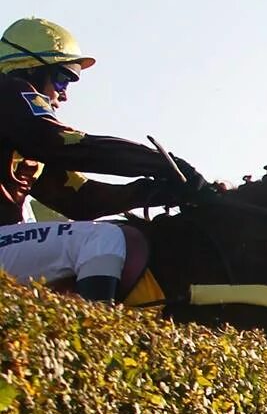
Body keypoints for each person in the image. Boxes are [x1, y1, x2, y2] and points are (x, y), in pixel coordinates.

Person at [0, 17, 192, 300]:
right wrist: (160, 162)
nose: (63, 95)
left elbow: (80, 199)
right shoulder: (9, 92)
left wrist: (154, 191)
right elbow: (67, 145)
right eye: (62, 78)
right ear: (29, 69)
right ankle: (100, 335)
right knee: (102, 239)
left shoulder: (21, 133)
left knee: (103, 237)